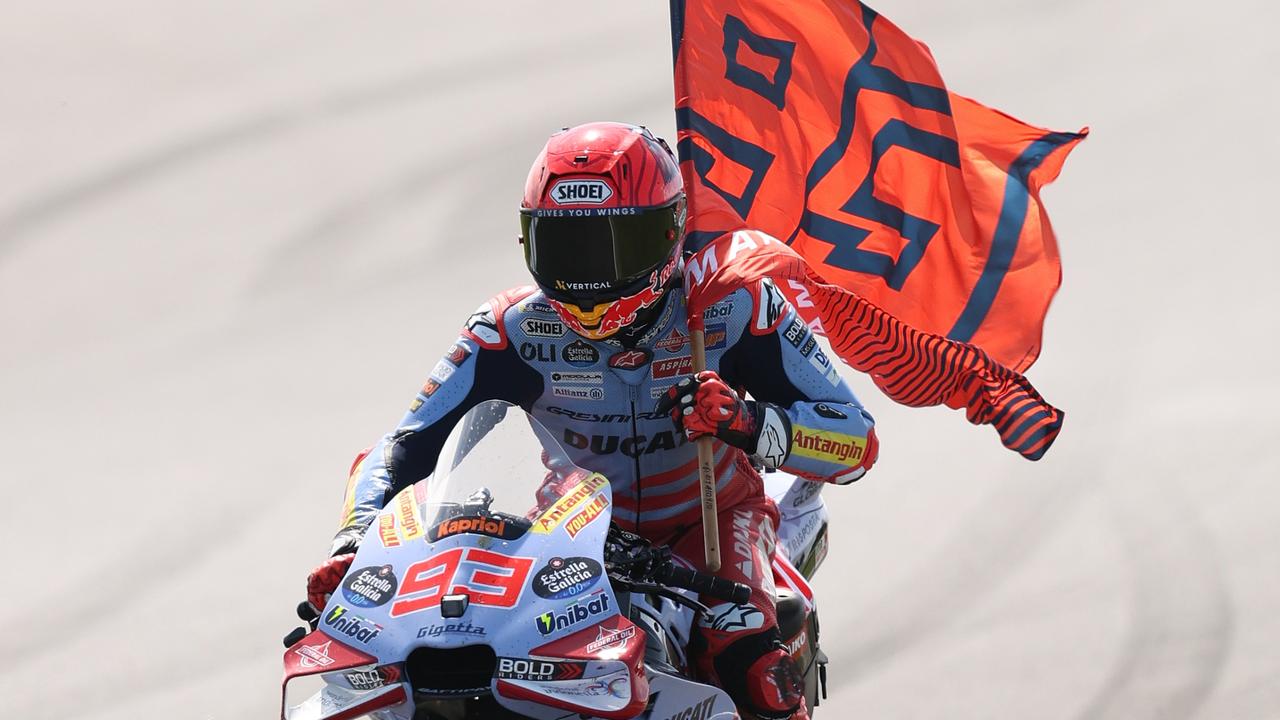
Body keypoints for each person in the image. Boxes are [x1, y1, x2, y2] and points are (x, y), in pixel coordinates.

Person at [306, 121, 878, 719]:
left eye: (616, 247)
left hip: (704, 529)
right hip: (563, 540)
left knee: (752, 660)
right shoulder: (510, 328)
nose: (589, 278)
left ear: (670, 231)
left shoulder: (734, 305)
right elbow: (402, 448)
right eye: (566, 249)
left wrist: (751, 423)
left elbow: (857, 439)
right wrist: (354, 543)